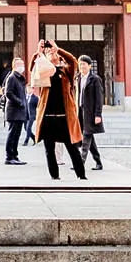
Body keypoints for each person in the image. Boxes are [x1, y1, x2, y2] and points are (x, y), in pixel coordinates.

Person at [31, 40, 86, 180]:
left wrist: (58, 49)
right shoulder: (44, 71)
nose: (51, 53)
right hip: (48, 116)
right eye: (48, 52)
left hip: (64, 117)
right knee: (49, 149)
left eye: (53, 52)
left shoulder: (66, 71)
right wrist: (39, 52)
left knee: (72, 148)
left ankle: (81, 175)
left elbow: (73, 61)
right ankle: (54, 177)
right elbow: (32, 68)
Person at [76, 54, 105, 172]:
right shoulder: (78, 78)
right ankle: (98, 162)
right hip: (80, 111)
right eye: (80, 64)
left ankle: (80, 163)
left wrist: (98, 114)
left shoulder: (95, 79)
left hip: (90, 112)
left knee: (86, 137)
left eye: (84, 64)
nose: (81, 66)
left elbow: (99, 99)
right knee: (90, 138)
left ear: (89, 65)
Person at [1, 57, 28, 166]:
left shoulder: (19, 78)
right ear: (14, 66)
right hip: (14, 110)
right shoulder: (12, 77)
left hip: (19, 111)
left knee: (16, 135)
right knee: (12, 134)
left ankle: (15, 155)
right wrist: (20, 102)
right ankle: (9, 156)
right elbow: (8, 93)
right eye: (20, 64)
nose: (22, 66)